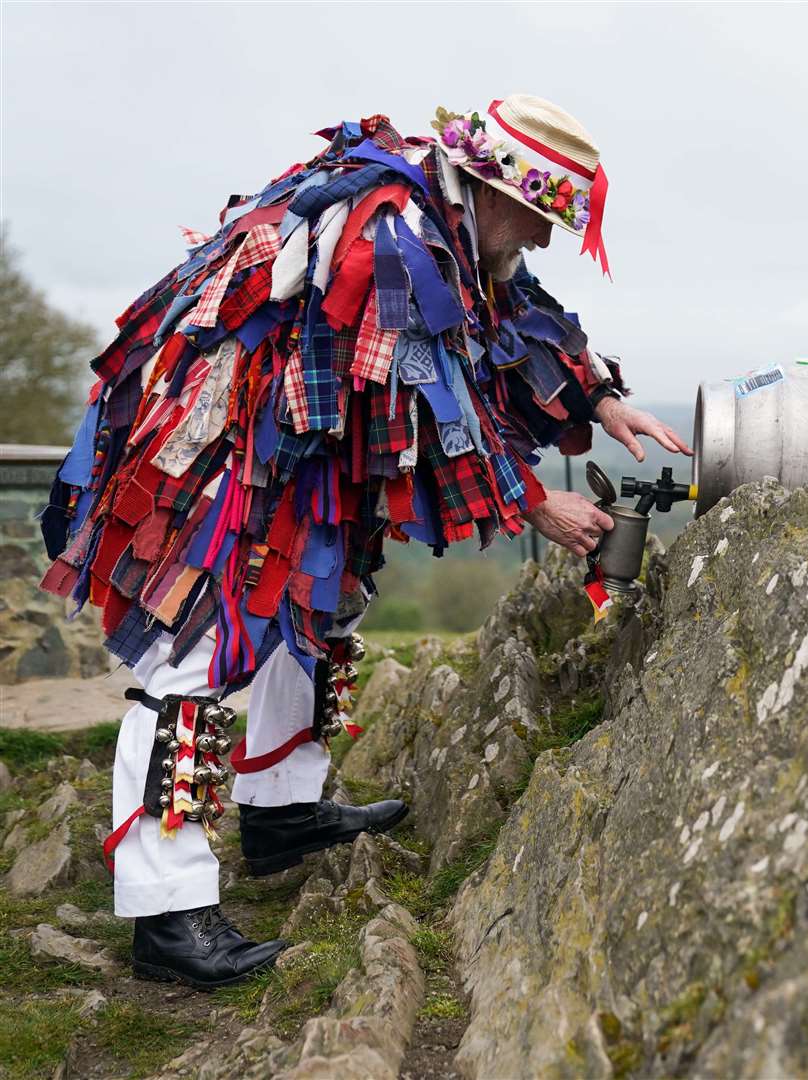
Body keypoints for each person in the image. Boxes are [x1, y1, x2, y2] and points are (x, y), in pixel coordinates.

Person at [37, 95, 691, 988]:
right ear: (491, 189)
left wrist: (603, 402)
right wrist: (535, 504)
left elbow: (515, 316)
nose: (540, 240)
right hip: (226, 448)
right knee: (189, 662)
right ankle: (165, 914)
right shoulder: (397, 235)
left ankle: (281, 812)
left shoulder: (452, 231)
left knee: (316, 609)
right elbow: (427, 397)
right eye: (539, 217)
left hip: (307, 450)